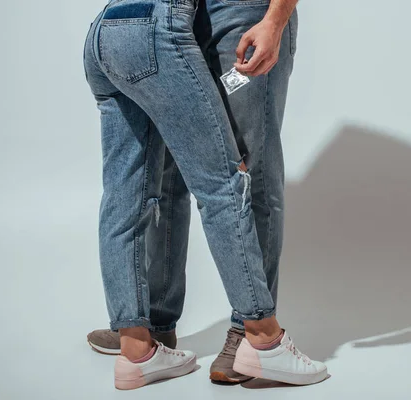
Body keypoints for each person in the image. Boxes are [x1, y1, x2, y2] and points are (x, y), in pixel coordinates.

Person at [83, 0, 326, 390]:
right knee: (169, 177)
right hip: (177, 21)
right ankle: (152, 329)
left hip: (244, 17)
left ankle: (248, 332)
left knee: (248, 170)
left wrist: (275, 19)